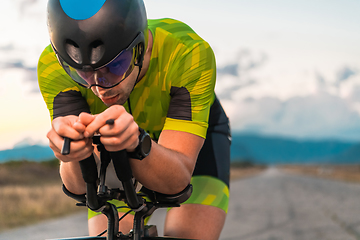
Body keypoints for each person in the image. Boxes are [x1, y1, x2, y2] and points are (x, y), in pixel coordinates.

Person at [38, 0, 231, 239]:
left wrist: (136, 143)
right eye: (84, 72)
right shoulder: (52, 67)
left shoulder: (188, 52)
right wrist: (72, 155)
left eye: (115, 66)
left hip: (199, 147)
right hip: (118, 147)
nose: (99, 88)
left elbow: (176, 182)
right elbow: (79, 187)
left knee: (187, 235)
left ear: (140, 47)